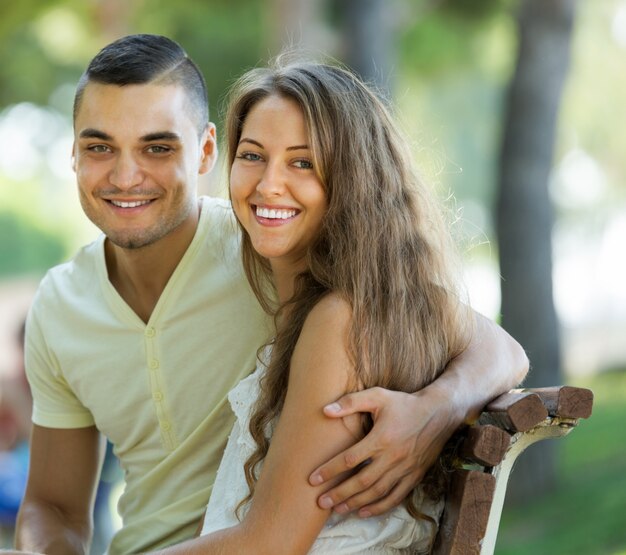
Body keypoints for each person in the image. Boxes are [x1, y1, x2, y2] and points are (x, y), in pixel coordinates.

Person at [15, 35, 527, 554]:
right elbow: (50, 506)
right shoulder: (60, 306)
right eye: (100, 147)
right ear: (74, 154)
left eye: (157, 146)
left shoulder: (270, 251)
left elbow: (498, 346)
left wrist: (438, 408)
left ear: (206, 151)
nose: (126, 176)